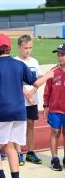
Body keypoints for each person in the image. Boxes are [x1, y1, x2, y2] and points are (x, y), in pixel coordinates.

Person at [0, 33, 56, 178]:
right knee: (10, 145)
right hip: (20, 112)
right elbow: (35, 83)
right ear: (10, 48)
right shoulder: (20, 64)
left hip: (1, 112)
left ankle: (1, 176)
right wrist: (47, 76)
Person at [14, 35, 42, 166]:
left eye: (30, 47)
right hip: (20, 100)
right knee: (19, 126)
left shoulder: (34, 62)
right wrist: (27, 94)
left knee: (31, 125)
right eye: (25, 48)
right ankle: (18, 153)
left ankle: (30, 152)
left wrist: (33, 93)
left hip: (32, 101)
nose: (28, 50)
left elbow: (38, 79)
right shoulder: (15, 62)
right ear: (19, 47)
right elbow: (16, 82)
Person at [43, 43, 65, 171]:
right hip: (55, 109)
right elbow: (47, 90)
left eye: (62, 55)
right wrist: (46, 105)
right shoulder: (53, 72)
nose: (60, 58)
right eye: (58, 55)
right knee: (55, 132)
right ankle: (54, 158)